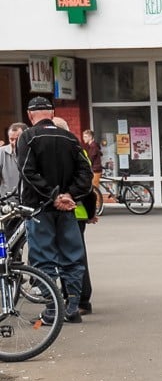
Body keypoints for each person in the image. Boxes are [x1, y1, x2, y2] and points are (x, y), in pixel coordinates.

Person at [16, 96, 92, 323]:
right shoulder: (70, 138)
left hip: (39, 209)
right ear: (52, 112)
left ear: (30, 115)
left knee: (43, 258)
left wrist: (53, 195)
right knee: (73, 257)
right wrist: (69, 195)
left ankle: (52, 310)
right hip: (67, 208)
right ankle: (73, 307)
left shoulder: (28, 137)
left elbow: (28, 172)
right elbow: (86, 174)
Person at [50, 117, 97, 316]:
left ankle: (82, 300)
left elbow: (86, 185)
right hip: (73, 211)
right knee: (70, 257)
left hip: (74, 212)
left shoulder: (74, 150)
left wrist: (90, 212)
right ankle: (72, 297)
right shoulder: (74, 149)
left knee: (76, 258)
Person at [0, 122, 27, 199]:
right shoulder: (1, 152)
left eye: (18, 139)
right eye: (11, 139)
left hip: (29, 202)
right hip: (7, 203)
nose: (14, 143)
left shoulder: (33, 152)